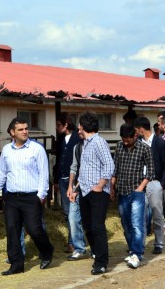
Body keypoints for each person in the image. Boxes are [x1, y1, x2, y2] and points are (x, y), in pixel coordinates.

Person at [0, 117, 54, 276]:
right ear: (12, 132)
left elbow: (44, 173)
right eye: (21, 129)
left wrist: (41, 195)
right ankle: (16, 264)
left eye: (26, 128)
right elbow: (2, 172)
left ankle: (47, 252)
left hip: (31, 197)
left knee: (34, 229)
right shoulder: (6, 150)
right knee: (12, 230)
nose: (25, 131)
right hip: (11, 197)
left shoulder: (36, 149)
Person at [75, 112, 115, 275]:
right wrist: (77, 188)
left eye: (79, 125)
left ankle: (101, 262)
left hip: (98, 192)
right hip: (85, 191)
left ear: (83, 126)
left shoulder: (98, 142)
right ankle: (96, 251)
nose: (78, 128)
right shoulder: (84, 143)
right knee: (88, 226)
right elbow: (84, 169)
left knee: (97, 226)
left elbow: (109, 165)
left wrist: (100, 185)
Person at [112, 123, 154, 269]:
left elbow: (150, 171)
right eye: (123, 139)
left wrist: (141, 187)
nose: (125, 142)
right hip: (122, 190)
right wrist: (112, 187)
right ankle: (131, 249)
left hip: (136, 191)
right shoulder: (119, 147)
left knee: (137, 223)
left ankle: (137, 253)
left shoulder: (144, 148)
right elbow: (115, 168)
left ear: (135, 136)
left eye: (128, 140)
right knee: (126, 223)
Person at [134, 116, 165, 255]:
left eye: (137, 130)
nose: (136, 133)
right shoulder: (137, 144)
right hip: (140, 183)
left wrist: (162, 183)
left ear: (141, 129)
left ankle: (159, 243)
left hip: (155, 182)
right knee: (140, 215)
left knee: (157, 213)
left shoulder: (160, 143)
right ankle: (139, 244)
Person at [54, 112, 84, 253]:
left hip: (75, 179)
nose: (56, 127)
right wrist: (55, 179)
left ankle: (74, 241)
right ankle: (73, 240)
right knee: (67, 212)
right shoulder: (59, 139)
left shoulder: (78, 138)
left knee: (74, 211)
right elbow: (58, 159)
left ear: (66, 124)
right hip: (62, 178)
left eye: (59, 124)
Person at [66, 129, 89, 261]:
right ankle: (79, 248)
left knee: (91, 221)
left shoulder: (96, 145)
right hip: (77, 187)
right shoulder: (77, 147)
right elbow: (74, 167)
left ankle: (96, 248)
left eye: (81, 129)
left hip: (92, 188)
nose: (79, 131)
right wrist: (71, 186)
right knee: (73, 217)